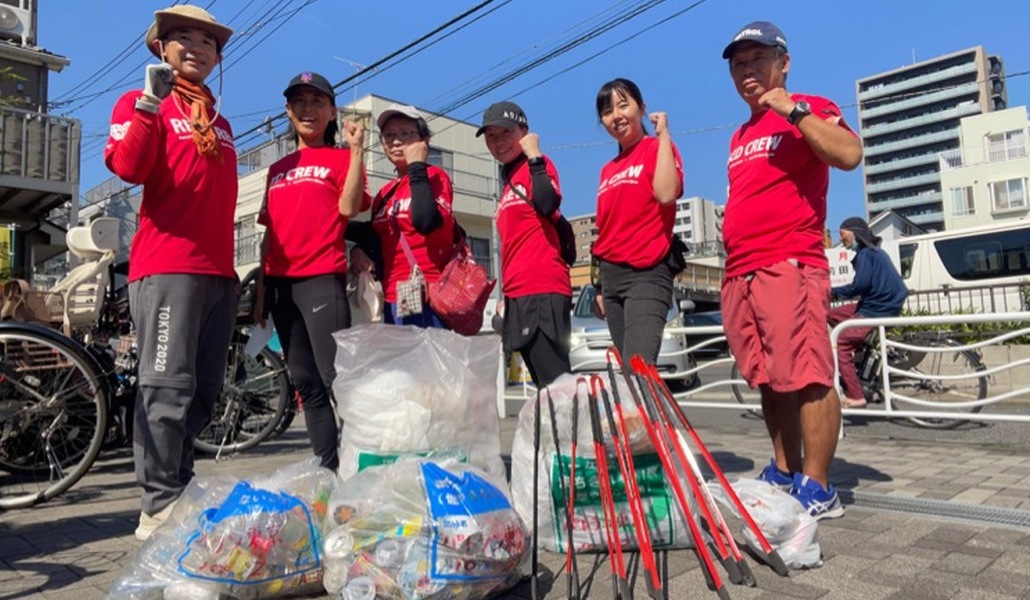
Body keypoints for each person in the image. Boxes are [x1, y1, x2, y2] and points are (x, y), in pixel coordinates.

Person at [720, 21, 863, 519]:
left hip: (789, 260)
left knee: (808, 372)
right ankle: (785, 470)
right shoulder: (740, 134)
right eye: (739, 64)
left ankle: (819, 486)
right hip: (742, 269)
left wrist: (794, 111)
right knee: (770, 377)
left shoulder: (810, 106)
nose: (747, 71)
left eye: (758, 59)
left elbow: (850, 154)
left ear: (784, 62)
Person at [104, 5, 237, 540]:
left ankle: (179, 486)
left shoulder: (220, 122)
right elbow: (128, 167)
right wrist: (148, 103)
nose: (197, 48)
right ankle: (157, 504)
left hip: (218, 272)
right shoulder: (143, 103)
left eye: (208, 42)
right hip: (167, 267)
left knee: (203, 391)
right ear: (161, 47)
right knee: (166, 387)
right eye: (184, 37)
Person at [253, 72, 370, 471]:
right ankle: (327, 471)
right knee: (306, 383)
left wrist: (357, 150)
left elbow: (349, 208)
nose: (308, 109)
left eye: (317, 102)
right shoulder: (277, 169)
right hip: (280, 286)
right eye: (299, 102)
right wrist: (260, 291)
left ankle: (362, 465)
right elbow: (268, 234)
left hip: (322, 279)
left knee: (337, 378)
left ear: (332, 111)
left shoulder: (342, 158)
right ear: (288, 111)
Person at [591, 78, 684, 365]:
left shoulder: (657, 148)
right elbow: (604, 231)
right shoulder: (607, 170)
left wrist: (663, 134)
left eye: (623, 105)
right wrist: (598, 287)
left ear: (642, 108)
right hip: (611, 277)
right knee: (629, 373)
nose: (616, 116)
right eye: (607, 112)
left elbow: (666, 194)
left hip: (647, 272)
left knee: (640, 367)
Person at [478, 101, 571, 387]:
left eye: (505, 133)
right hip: (518, 293)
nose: (498, 142)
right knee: (546, 387)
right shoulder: (508, 180)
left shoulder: (537, 165)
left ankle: (578, 421)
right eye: (491, 136)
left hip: (542, 287)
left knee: (557, 385)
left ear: (524, 132)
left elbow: (547, 203)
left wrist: (535, 156)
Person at [349, 104, 455, 328]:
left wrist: (417, 166)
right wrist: (358, 249)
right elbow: (375, 234)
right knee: (402, 351)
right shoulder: (384, 193)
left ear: (424, 140)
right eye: (389, 136)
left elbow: (425, 221)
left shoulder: (436, 177)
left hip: (429, 291)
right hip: (393, 295)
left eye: (406, 133)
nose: (396, 141)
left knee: (424, 352)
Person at [828, 217, 908, 408]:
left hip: (877, 309)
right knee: (830, 315)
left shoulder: (866, 254)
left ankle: (857, 396)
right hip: (878, 304)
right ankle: (860, 350)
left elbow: (860, 285)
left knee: (842, 344)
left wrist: (834, 292)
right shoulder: (872, 252)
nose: (840, 238)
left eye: (843, 234)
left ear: (855, 233)